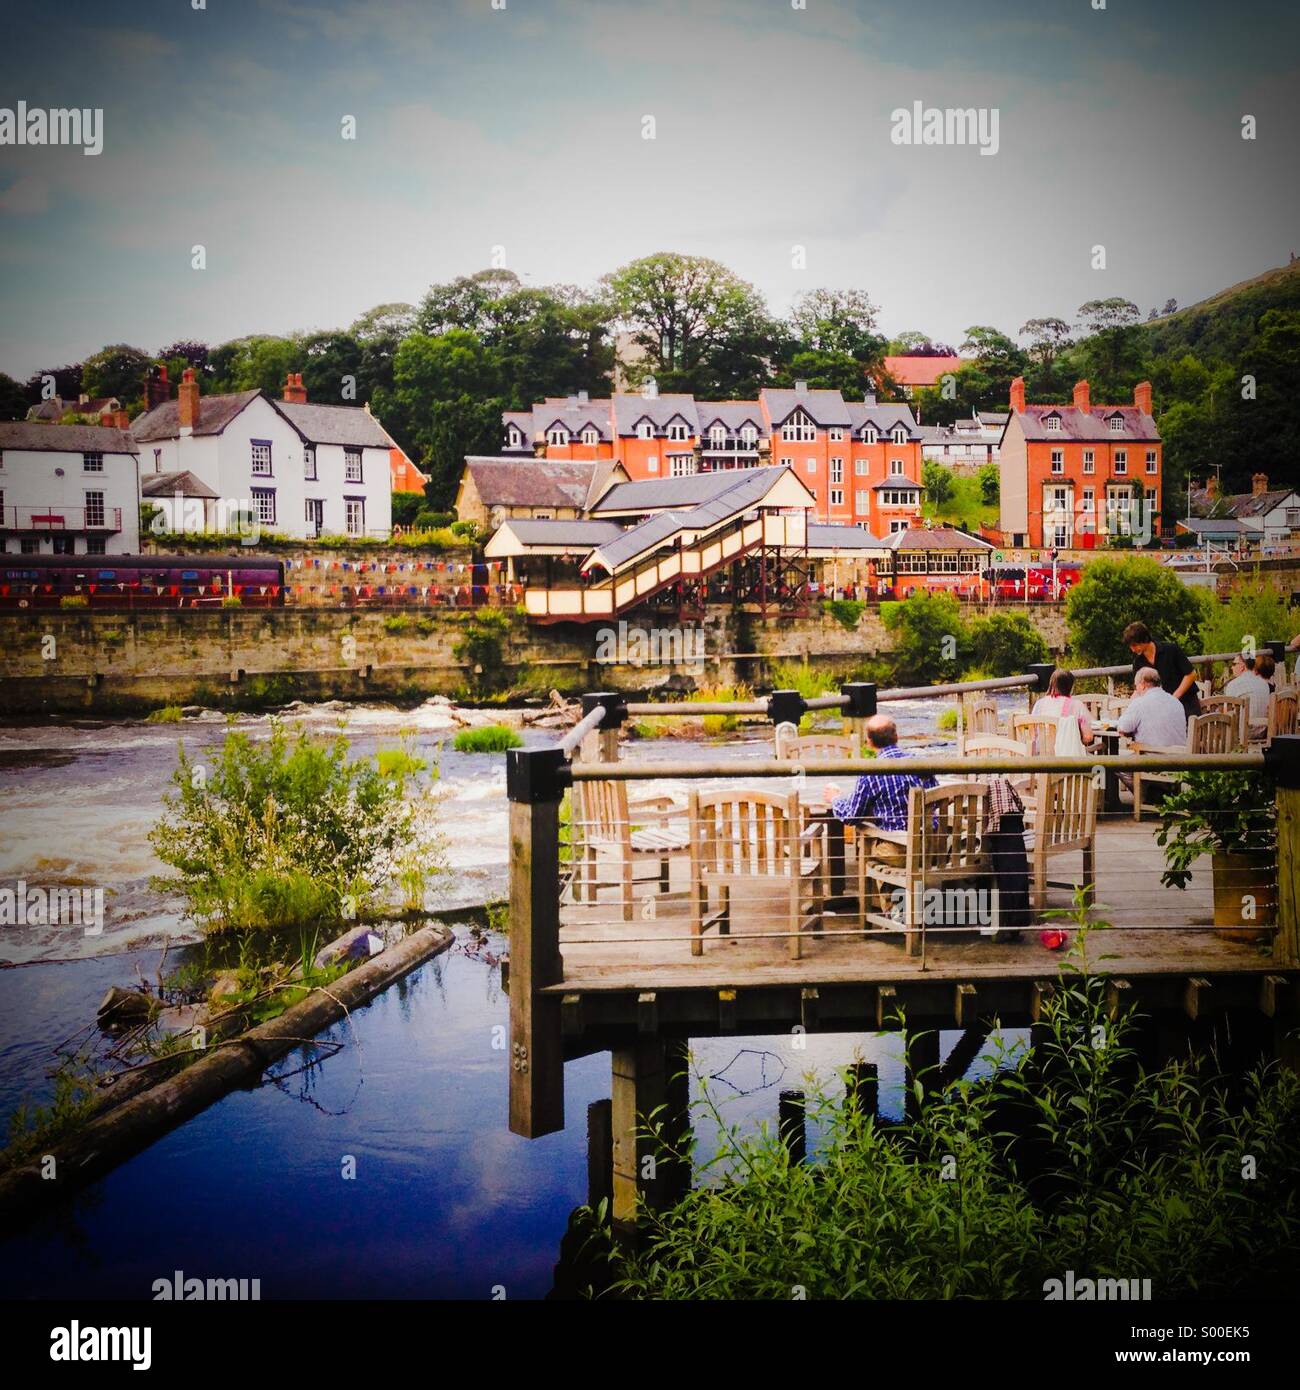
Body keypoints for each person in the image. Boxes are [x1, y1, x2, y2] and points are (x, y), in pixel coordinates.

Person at [823, 714, 937, 919]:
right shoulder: (920, 763)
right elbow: (936, 797)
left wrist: (835, 799)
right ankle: (910, 905)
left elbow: (851, 816)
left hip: (900, 851)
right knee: (886, 842)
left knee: (868, 845)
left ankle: (893, 910)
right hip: (932, 845)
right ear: (897, 737)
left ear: (869, 742)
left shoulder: (871, 772)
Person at [1123, 621, 1201, 719]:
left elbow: (1191, 674)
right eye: (1130, 646)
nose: (1133, 649)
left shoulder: (1171, 649)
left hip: (1187, 704)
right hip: (1161, 710)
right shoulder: (1138, 662)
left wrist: (1174, 698)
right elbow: (1139, 688)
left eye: (1135, 645)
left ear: (1145, 639)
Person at [1117, 667, 1189, 749]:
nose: (1136, 689)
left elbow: (1123, 727)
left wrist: (1132, 701)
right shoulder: (1176, 702)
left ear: (1142, 685)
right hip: (1181, 758)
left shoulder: (1139, 703)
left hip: (1153, 757)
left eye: (1136, 686)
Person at [1031, 668, 1095, 751]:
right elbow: (1088, 737)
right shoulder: (1076, 705)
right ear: (1070, 686)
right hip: (1066, 757)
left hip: (1039, 756)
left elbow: (1032, 733)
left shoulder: (1039, 704)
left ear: (1051, 684)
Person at [1223, 653, 1271, 733]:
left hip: (1241, 734)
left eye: (1234, 664)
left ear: (1242, 666)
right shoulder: (1264, 683)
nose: (1232, 667)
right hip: (1262, 732)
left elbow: (1226, 712)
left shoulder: (1233, 684)